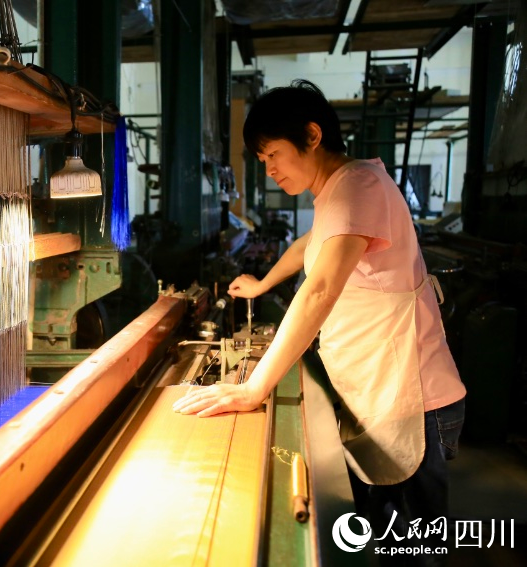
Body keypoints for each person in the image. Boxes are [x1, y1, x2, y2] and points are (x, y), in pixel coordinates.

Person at [172, 80, 466, 564]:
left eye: (273, 154)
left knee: (417, 548)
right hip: (382, 387)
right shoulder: (339, 188)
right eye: (261, 159)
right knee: (388, 537)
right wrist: (263, 284)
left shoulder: (358, 186)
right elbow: (311, 246)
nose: (268, 169)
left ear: (312, 135)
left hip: (415, 398)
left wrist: (254, 388)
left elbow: (321, 289)